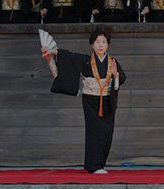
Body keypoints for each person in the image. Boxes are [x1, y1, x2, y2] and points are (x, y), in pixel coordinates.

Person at [42, 28, 126, 173]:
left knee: (107, 132)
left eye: (104, 42)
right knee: (94, 132)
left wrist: (115, 74)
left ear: (107, 45)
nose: (100, 45)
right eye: (97, 42)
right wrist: (53, 52)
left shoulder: (112, 62)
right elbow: (70, 57)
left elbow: (122, 78)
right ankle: (93, 166)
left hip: (108, 100)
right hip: (91, 101)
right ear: (92, 45)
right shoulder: (86, 60)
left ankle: (101, 163)